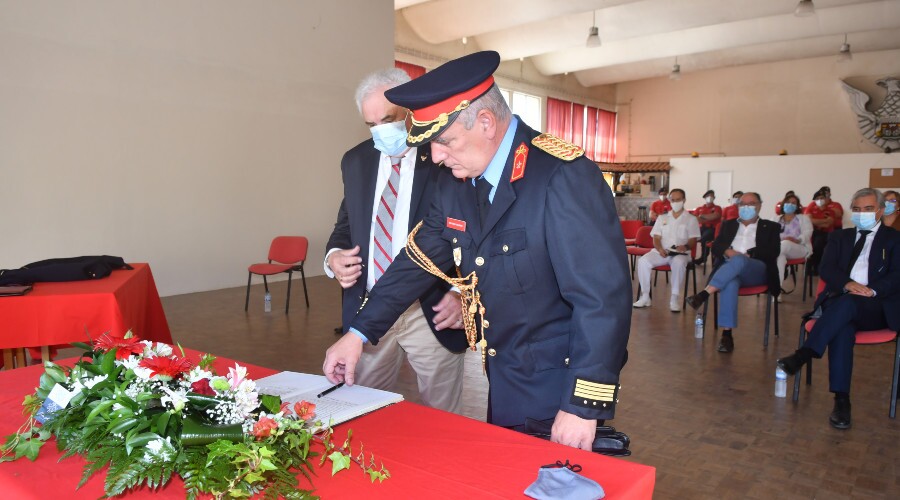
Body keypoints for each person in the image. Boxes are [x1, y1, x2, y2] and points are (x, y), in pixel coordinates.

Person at [323, 51, 632, 451]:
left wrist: (582, 406)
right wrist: (358, 332)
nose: (436, 156)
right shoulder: (457, 179)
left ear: (485, 123)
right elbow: (417, 260)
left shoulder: (561, 175)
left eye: (444, 141)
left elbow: (602, 300)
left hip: (558, 386)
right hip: (503, 375)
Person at [324, 68, 466, 412]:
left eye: (388, 119)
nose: (380, 131)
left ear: (411, 110)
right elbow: (347, 224)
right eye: (371, 124)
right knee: (363, 411)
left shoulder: (444, 158)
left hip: (430, 309)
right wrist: (334, 256)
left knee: (443, 418)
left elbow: (466, 232)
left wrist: (459, 291)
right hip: (368, 304)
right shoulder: (356, 161)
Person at [777, 188, 900, 430]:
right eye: (857, 209)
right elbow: (827, 268)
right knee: (842, 328)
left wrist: (871, 290)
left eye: (868, 209)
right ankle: (842, 401)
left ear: (880, 210)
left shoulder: (894, 239)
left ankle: (805, 354)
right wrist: (847, 284)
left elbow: (897, 275)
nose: (862, 213)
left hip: (876, 307)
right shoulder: (840, 237)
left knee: (850, 303)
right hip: (840, 302)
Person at [687, 192, 781, 353]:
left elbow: (773, 251)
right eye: (743, 204)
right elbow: (716, 246)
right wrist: (727, 251)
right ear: (738, 206)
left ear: (759, 206)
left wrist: (749, 254)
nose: (747, 207)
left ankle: (704, 293)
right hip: (730, 269)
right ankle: (727, 335)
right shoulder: (728, 224)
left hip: (756, 269)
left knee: (739, 260)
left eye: (751, 203)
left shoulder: (771, 227)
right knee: (730, 283)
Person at [633, 188, 700, 312]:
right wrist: (659, 249)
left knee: (679, 263)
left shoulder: (691, 219)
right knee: (643, 261)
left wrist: (685, 247)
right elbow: (656, 237)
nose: (675, 202)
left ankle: (674, 298)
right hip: (662, 252)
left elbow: (693, 239)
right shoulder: (663, 217)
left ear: (684, 200)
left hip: (681, 253)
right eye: (672, 200)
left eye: (678, 200)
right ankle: (645, 296)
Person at [775, 193, 813, 291]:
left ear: (797, 206)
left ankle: (769, 258)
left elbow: (808, 233)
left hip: (799, 247)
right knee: (780, 258)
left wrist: (797, 239)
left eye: (793, 203)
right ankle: (776, 291)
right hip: (780, 249)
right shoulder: (775, 219)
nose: (790, 204)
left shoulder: (803, 218)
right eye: (788, 202)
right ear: (783, 204)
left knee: (785, 244)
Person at [806, 190, 840, 274]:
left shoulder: (830, 211)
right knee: (809, 242)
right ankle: (810, 266)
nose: (820, 200)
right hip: (812, 232)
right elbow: (809, 221)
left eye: (822, 198)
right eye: (817, 198)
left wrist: (815, 221)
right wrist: (823, 221)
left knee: (819, 243)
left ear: (826, 199)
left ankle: (817, 266)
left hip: (826, 233)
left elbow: (828, 224)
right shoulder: (811, 210)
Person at [694, 190, 722, 266]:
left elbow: (715, 216)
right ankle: (691, 257)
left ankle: (703, 257)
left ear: (714, 197)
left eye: (711, 196)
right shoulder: (699, 208)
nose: (709, 197)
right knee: (691, 236)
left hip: (712, 229)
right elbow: (695, 219)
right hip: (701, 228)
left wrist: (701, 216)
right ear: (704, 198)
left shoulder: (717, 208)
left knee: (705, 237)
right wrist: (708, 218)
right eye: (707, 196)